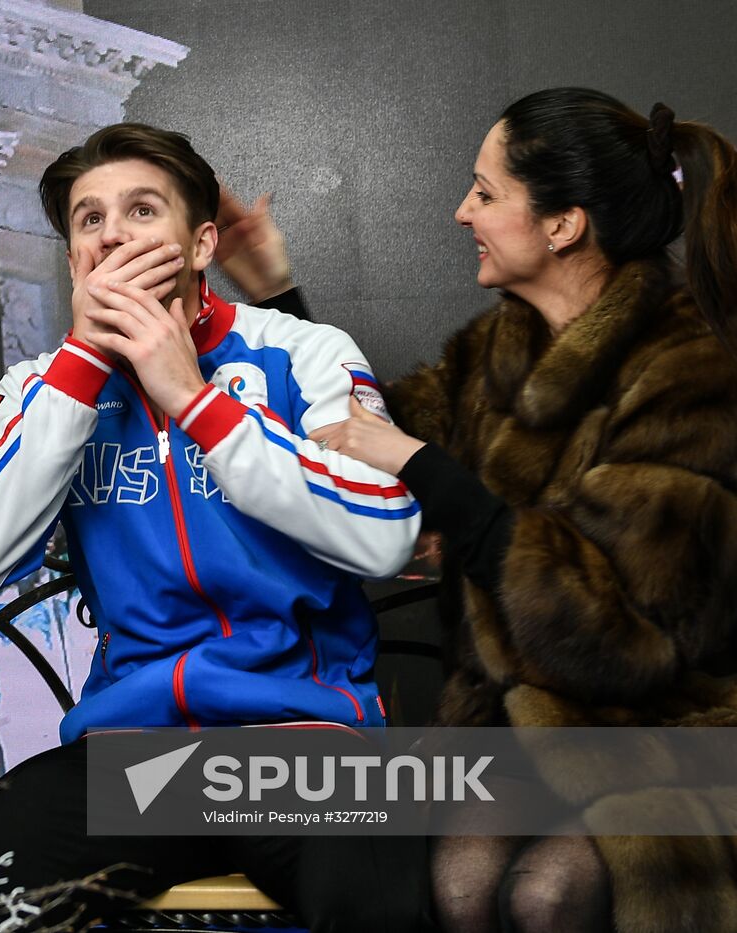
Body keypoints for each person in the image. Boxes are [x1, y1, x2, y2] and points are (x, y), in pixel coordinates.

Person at [0, 123, 431, 931]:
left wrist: (197, 401)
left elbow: (385, 531)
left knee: (381, 903)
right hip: (134, 756)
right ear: (72, 262)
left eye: (140, 210)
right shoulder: (40, 386)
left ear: (201, 245)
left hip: (303, 746)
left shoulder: (297, 352)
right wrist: (84, 366)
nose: (112, 236)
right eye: (89, 221)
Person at [299, 88, 737, 933]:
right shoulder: (498, 349)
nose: (463, 211)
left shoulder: (694, 376)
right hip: (516, 735)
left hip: (668, 733)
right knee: (460, 879)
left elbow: (619, 639)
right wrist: (281, 310)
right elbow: (364, 435)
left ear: (563, 225)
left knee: (547, 892)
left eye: (486, 192)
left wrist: (431, 475)